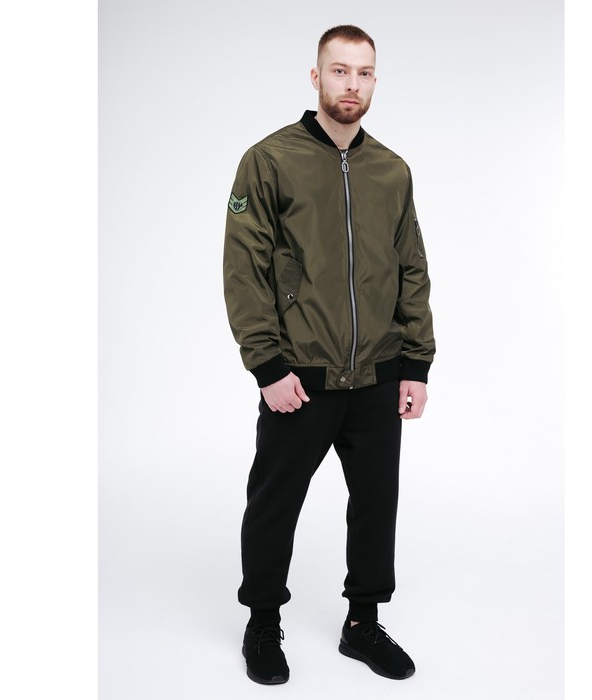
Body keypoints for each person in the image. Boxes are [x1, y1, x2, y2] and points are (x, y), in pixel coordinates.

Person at [223, 24, 435, 685]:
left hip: (378, 372)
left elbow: (411, 268)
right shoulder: (269, 160)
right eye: (340, 71)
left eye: (364, 73)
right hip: (300, 374)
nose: (352, 84)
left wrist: (416, 364)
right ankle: (262, 623)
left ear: (374, 81)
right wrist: (267, 365)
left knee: (376, 503)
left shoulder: (392, 171)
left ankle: (362, 624)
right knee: (274, 501)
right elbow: (244, 269)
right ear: (316, 77)